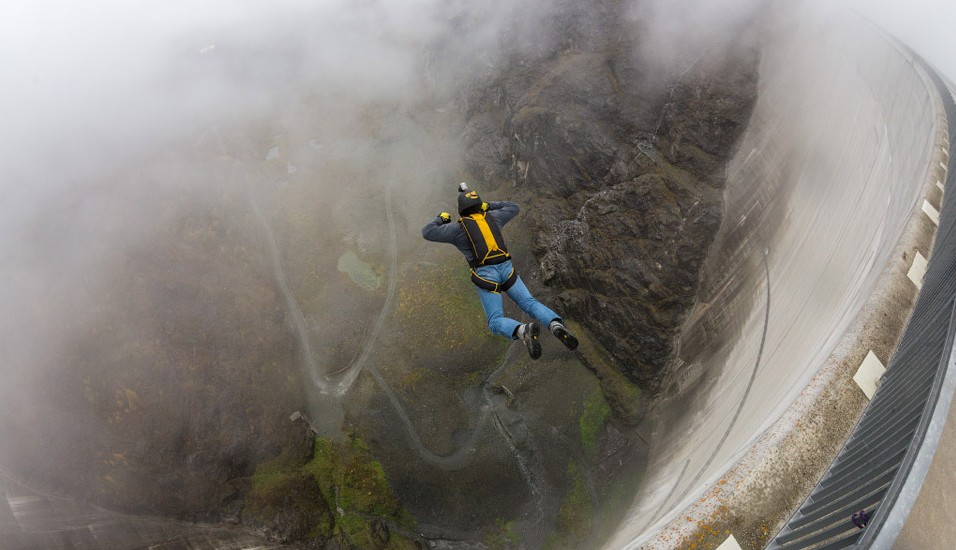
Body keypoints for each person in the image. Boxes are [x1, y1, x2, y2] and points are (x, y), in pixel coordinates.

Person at [422, 183, 578, 359]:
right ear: (479, 205)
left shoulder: (457, 229)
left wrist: (440, 219)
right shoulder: (494, 217)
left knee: (495, 321)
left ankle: (523, 330)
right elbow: (513, 207)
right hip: (507, 269)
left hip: (486, 276)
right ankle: (556, 325)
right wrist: (489, 206)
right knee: (529, 303)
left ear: (461, 209)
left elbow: (427, 232)